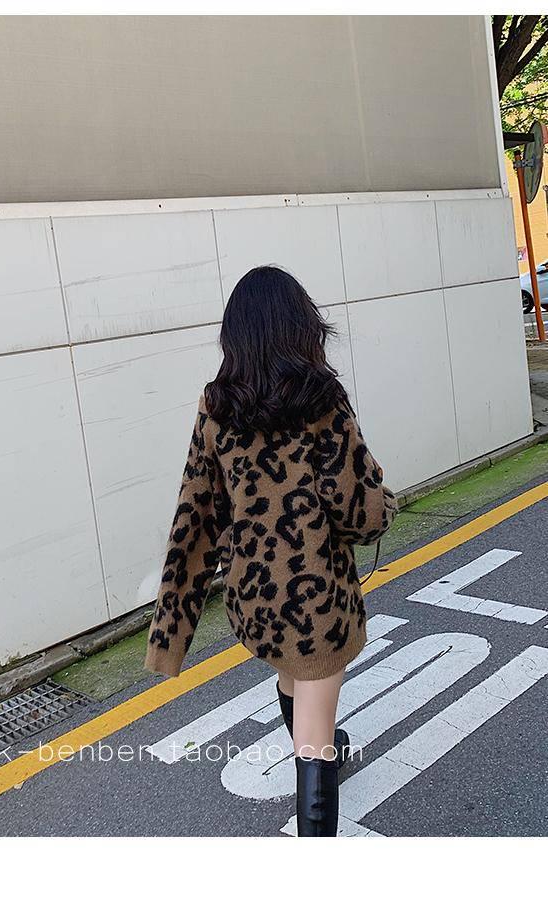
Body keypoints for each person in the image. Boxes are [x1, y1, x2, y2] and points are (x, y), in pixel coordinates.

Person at [143, 265, 398, 837]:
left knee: (291, 680)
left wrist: (170, 635)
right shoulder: (322, 400)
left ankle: (330, 746)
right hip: (317, 602)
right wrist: (385, 501)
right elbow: (357, 512)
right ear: (301, 326)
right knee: (314, 730)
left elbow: (195, 517)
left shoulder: (216, 407)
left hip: (254, 598)